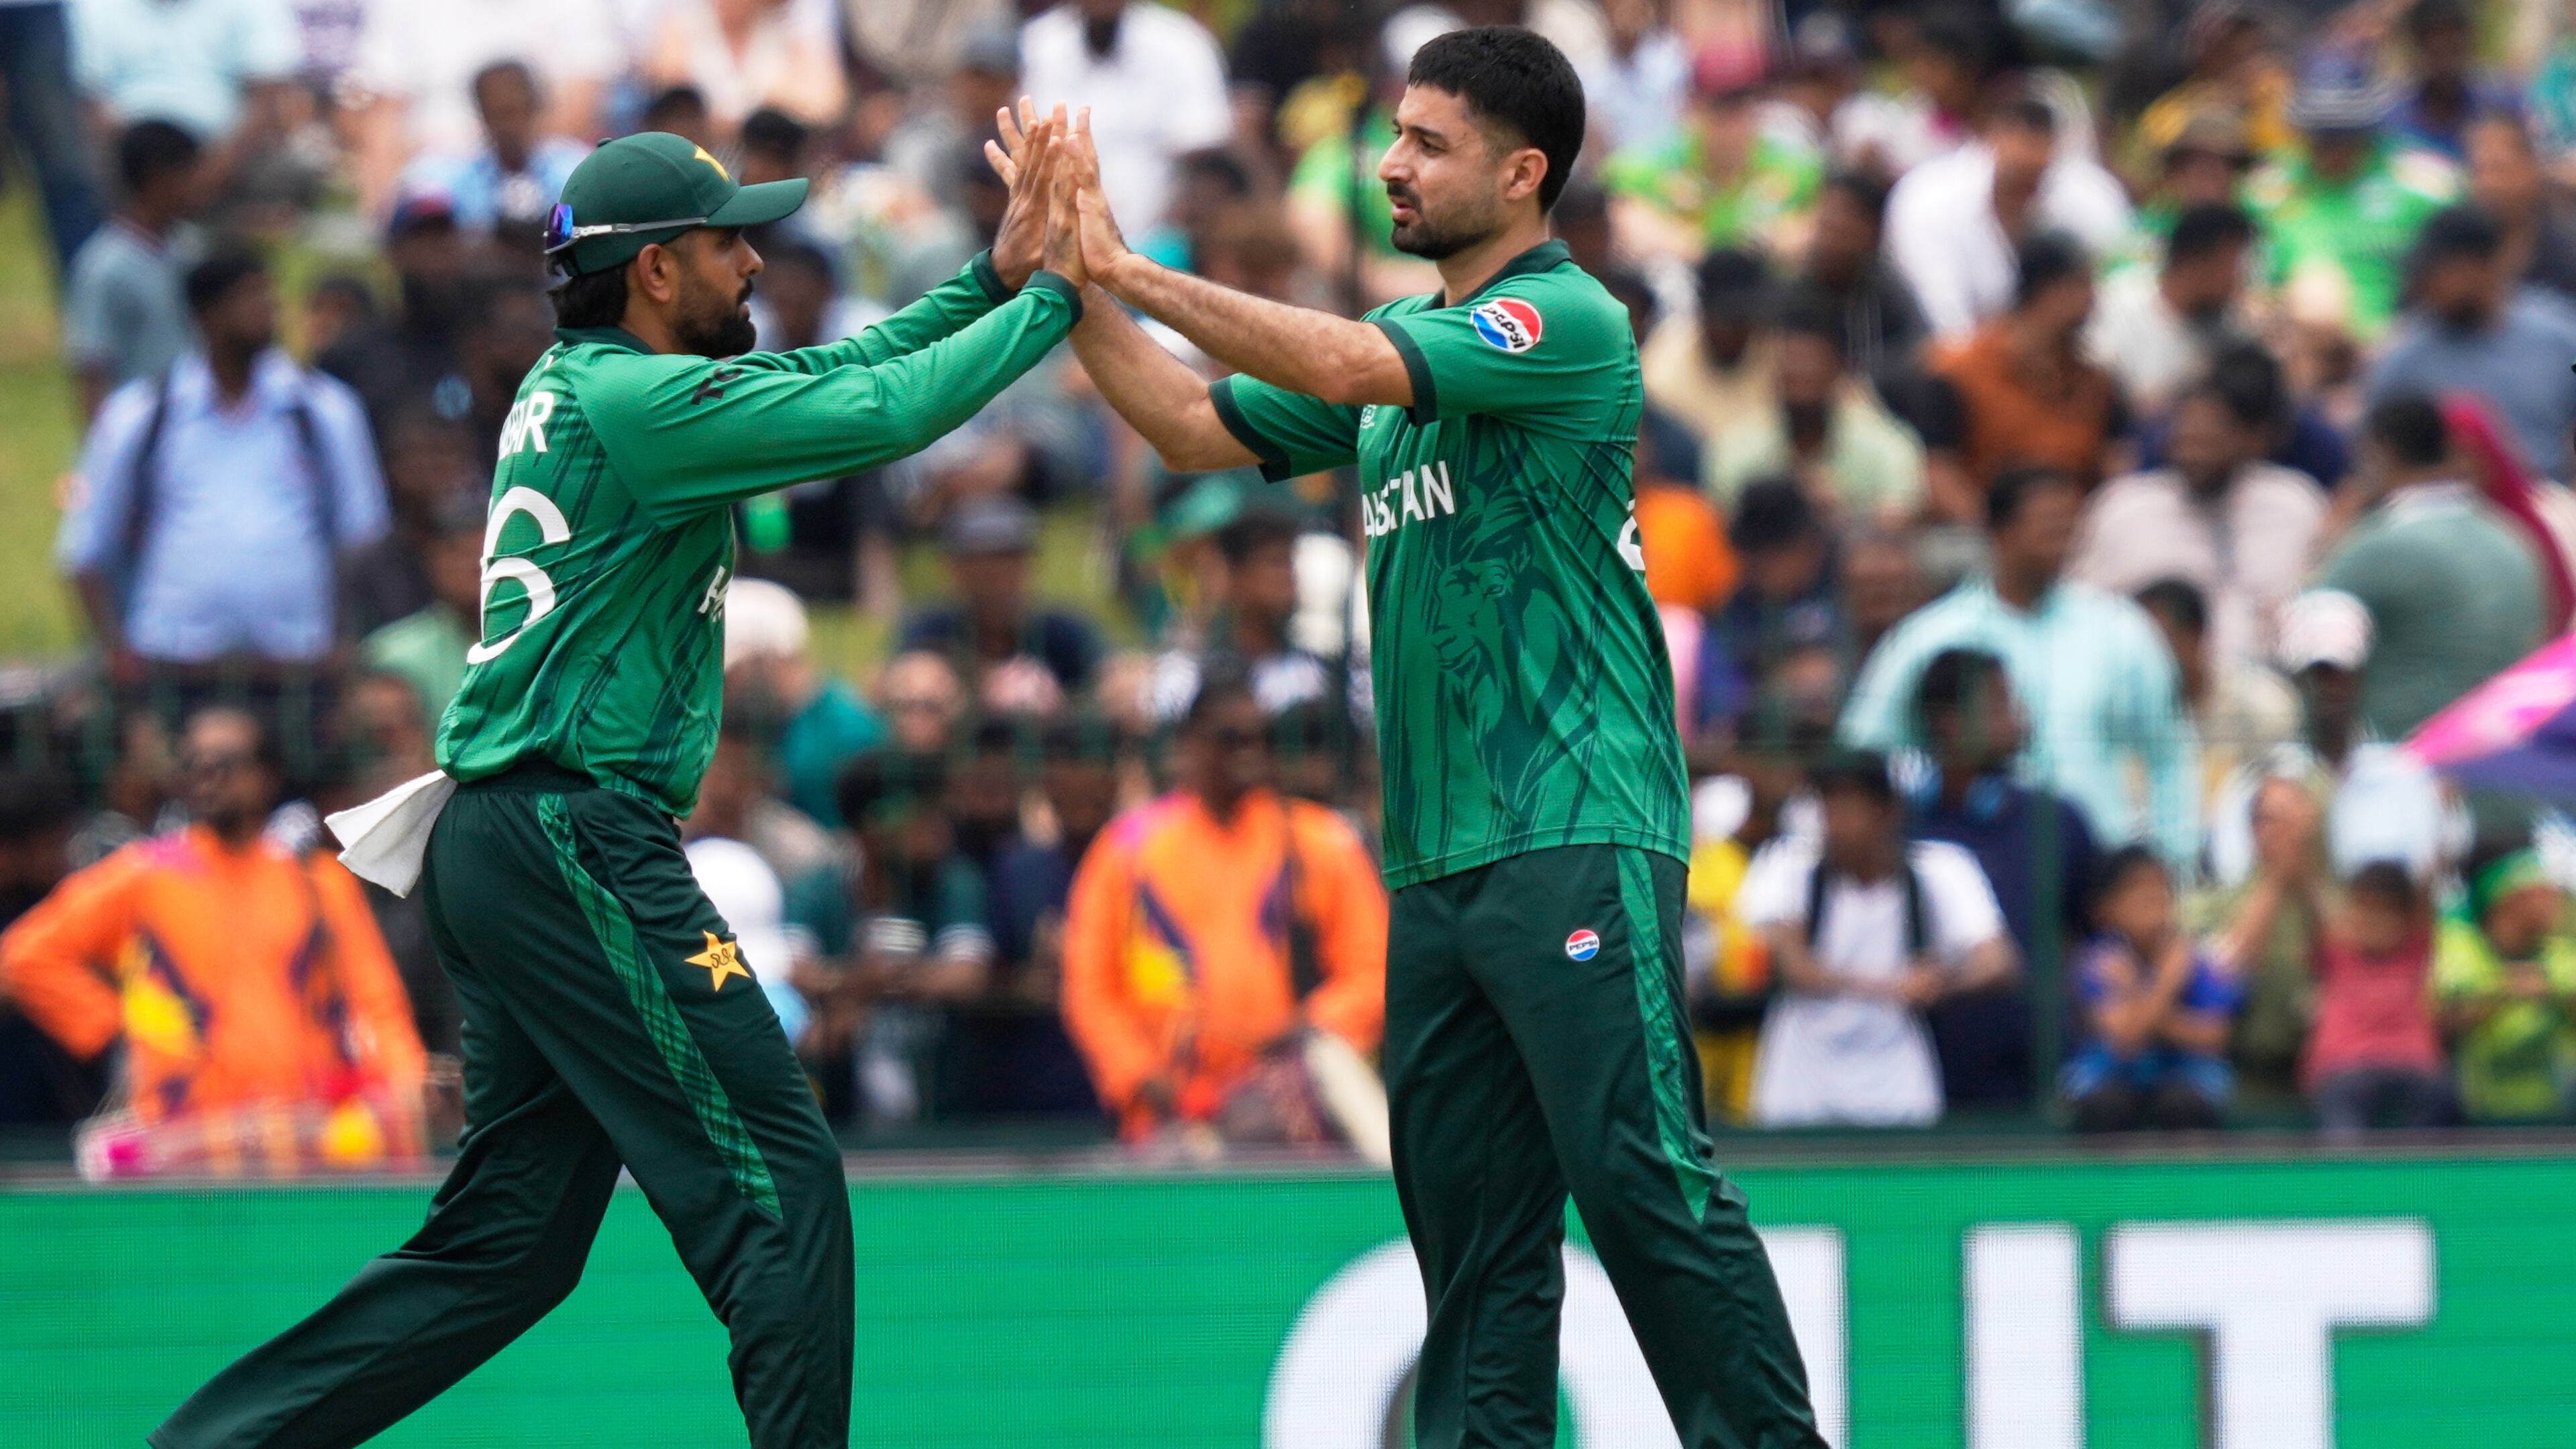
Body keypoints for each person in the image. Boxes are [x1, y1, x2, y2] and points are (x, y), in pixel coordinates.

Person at [156, 115, 1083, 1449]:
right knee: (783, 1189)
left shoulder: (591, 382)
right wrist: (1062, 297)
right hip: (572, 834)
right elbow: (884, 414)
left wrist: (991, 282)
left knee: (510, 1246)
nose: (753, 264)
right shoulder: (638, 404)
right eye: (726, 243)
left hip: (507, 836)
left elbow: (836, 367)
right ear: (654, 270)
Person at [1046, 29, 1826, 1445]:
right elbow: (1186, 425)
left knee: (1644, 1185)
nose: (1391, 165)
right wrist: (1059, 281)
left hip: (1575, 826)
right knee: (1474, 1242)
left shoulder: (1563, 319)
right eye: (1395, 134)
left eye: (1428, 143)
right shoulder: (1409, 372)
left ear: (1523, 175)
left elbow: (1353, 361)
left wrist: (1132, 268)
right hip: (1439, 860)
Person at [0, 707, 425, 1140]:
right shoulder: (146, 874)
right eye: (194, 763)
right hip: (184, 1135)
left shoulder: (317, 880)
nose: (208, 775)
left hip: (302, 1134)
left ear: (267, 775)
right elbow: (26, 956)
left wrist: (404, 1086)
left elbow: (376, 1000)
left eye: (226, 762)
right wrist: (117, 1031)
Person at [1060, 677, 1386, 1142]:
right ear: (1189, 744)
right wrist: (1146, 1079)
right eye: (1230, 738)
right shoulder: (1126, 849)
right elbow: (1090, 990)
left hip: (1294, 1112)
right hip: (1172, 1120)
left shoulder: (1319, 841)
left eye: (1261, 737)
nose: (1250, 751)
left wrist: (1305, 1036)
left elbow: (1373, 972)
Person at [1843, 466, 2201, 868]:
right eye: (2049, 525)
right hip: (1972, 868)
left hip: (2098, 868)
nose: (2064, 539)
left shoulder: (2121, 629)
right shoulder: (1928, 638)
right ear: (2000, 532)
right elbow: (1866, 751)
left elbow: (2168, 754)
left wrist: (2175, 861)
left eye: (2069, 526)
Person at [58, 248, 388, 678]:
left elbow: (364, 533)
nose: (265, 310)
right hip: (172, 659)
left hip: (302, 659)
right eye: (248, 298)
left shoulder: (322, 410)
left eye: (268, 296)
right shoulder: (142, 415)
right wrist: (116, 652)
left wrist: (344, 638)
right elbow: (86, 547)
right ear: (205, 315)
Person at [1739, 749, 2015, 1126]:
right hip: (1800, 1081)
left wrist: (1942, 980)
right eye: (1827, 807)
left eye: (1849, 807)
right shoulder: (1787, 864)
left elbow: (2000, 962)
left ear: (1888, 812)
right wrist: (1896, 986)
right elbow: (1797, 969)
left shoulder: (1941, 869)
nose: (1834, 823)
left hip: (1898, 1078)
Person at [1904, 649, 2098, 1112]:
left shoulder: (2056, 821)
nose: (2016, 716)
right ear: (1948, 722)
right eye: (1997, 703)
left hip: (2043, 1075)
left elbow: (2091, 942)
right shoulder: (1904, 829)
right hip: (1927, 1077)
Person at [2316, 396, 2544, 739]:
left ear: (2382, 451)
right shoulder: (2511, 538)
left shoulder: (2380, 544)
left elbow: (2307, 641)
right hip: (2506, 751)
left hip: (2407, 755)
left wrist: (2332, 534)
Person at [2071, 376, 2330, 677]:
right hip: (2151, 681)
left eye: (2209, 438)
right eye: (2187, 438)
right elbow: (2081, 609)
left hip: (2271, 682)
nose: (2195, 453)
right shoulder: (2124, 508)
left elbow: (2320, 608)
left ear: (2248, 440)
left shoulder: (2295, 506)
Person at [1883, 91, 2131, 340]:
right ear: (1987, 143)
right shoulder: (1928, 200)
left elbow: (2126, 276)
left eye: (2039, 175)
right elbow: (1946, 325)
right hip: (1938, 346)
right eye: (2018, 173)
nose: (2028, 187)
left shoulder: (2087, 193)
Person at [2245, 50, 2457, 343]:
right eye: (2321, 135)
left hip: (2404, 341)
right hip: (2296, 343)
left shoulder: (2425, 186)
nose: (2332, 148)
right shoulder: (2266, 192)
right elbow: (2251, 286)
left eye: (2344, 135)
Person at [1918, 232, 2122, 518]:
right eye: (2083, 285)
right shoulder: (1960, 373)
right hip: (1984, 528)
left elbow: (2114, 466)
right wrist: (1994, 532)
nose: (2093, 301)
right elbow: (1939, 473)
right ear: (2050, 291)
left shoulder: (2095, 384)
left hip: (2076, 530)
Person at [2369, 205, 2576, 480]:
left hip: (2550, 493)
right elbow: (2373, 463)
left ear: (2483, 265)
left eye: (2439, 271)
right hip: (2446, 498)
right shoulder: (2402, 361)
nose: (2424, 284)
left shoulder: (2559, 340)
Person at [1018, 0, 1233, 238]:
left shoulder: (1183, 44)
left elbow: (1205, 155)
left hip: (1161, 238)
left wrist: (1167, 237)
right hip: (1054, 231)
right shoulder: (1037, 44)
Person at [1704, 294, 1924, 523]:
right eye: (1790, 361)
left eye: (1811, 361)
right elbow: (1722, 526)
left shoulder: (1887, 447)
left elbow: (1901, 521)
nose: (1799, 372)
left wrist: (1842, 512)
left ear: (1839, 370)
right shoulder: (1735, 450)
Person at [2061, 847, 2237, 1132]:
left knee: (2183, 1103)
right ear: (2106, 908)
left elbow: (2214, 1036)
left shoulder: (2195, 958)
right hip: (2112, 1078)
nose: (2152, 897)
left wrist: (2136, 994)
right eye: (2136, 888)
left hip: (2186, 1078)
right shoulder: (2100, 960)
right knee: (2105, 1105)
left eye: (2161, 886)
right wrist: (2166, 982)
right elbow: (2126, 1039)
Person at [1603, 42, 1821, 260]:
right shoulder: (1646, 167)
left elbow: (1813, 225)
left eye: (1744, 105)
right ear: (1694, 106)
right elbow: (1618, 206)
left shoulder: (1795, 169)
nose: (1733, 121)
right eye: (1720, 107)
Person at [898, 494, 1103, 714]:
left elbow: (1112, 675)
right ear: (954, 570)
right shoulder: (931, 629)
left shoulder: (1062, 631)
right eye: (982, 564)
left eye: (1010, 561)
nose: (997, 578)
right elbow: (895, 680)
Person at [62, 119, 205, 421]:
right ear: (157, 179)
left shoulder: (193, 250)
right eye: (189, 175)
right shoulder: (104, 268)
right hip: (142, 428)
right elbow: (93, 369)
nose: (198, 186)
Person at [2307, 861, 2456, 1138]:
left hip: (2414, 1067)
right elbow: (2313, 893)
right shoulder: (2336, 953)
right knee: (2342, 1117)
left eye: (2386, 911)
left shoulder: (2417, 951)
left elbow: (2428, 890)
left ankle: (2418, 1169)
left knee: (2441, 1095)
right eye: (2364, 909)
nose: (2373, 921)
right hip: (2346, 1068)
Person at [722, 578, 886, 828]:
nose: (727, 687)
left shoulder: (849, 732)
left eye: (733, 672)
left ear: (772, 656)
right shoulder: (762, 718)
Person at [2433, 843, 2576, 1123]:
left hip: (2557, 1111)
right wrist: (2502, 993)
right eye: (2542, 893)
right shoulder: (2459, 949)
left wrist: (2552, 993)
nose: (2556, 900)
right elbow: (2442, 1024)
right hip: (2475, 1112)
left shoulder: (2564, 954)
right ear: (2509, 900)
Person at [2086, 203, 2256, 418]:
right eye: (2233, 267)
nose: (2239, 281)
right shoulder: (2117, 303)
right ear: (2197, 263)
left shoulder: (2230, 331)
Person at [398, 60, 590, 239]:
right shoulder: (453, 180)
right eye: (494, 115)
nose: (507, 127)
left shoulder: (575, 172)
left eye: (513, 112)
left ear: (535, 108)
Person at [1794, 170, 1927, 390]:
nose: (1829, 240)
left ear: (1872, 231)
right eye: (1825, 225)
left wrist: (1852, 380)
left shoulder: (1887, 291)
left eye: (1841, 230)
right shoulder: (1796, 285)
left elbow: (1918, 352)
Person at [1641, 244, 1779, 446]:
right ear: (1703, 309)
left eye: (1743, 320)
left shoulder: (1780, 359)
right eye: (1725, 319)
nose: (1733, 331)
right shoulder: (1661, 364)